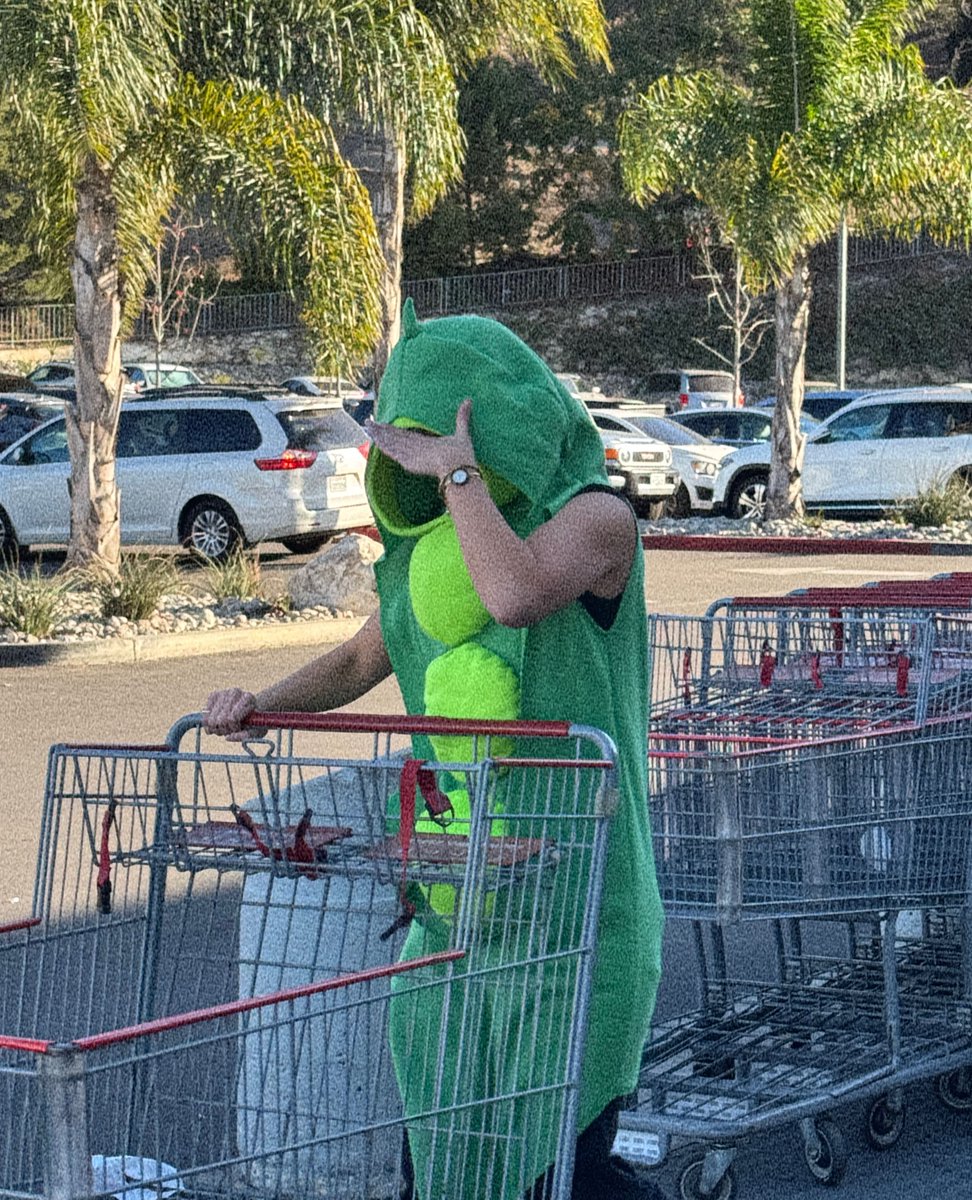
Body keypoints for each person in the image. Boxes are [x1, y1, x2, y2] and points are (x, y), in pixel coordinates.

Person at [205, 301, 665, 1199]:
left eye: (432, 436)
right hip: (461, 904)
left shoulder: (598, 520)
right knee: (447, 1160)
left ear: (493, 421)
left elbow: (514, 596)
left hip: (581, 907)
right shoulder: (426, 559)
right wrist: (260, 704)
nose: (408, 460)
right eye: (401, 444)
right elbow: (358, 659)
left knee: (556, 1174)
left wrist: (459, 475)